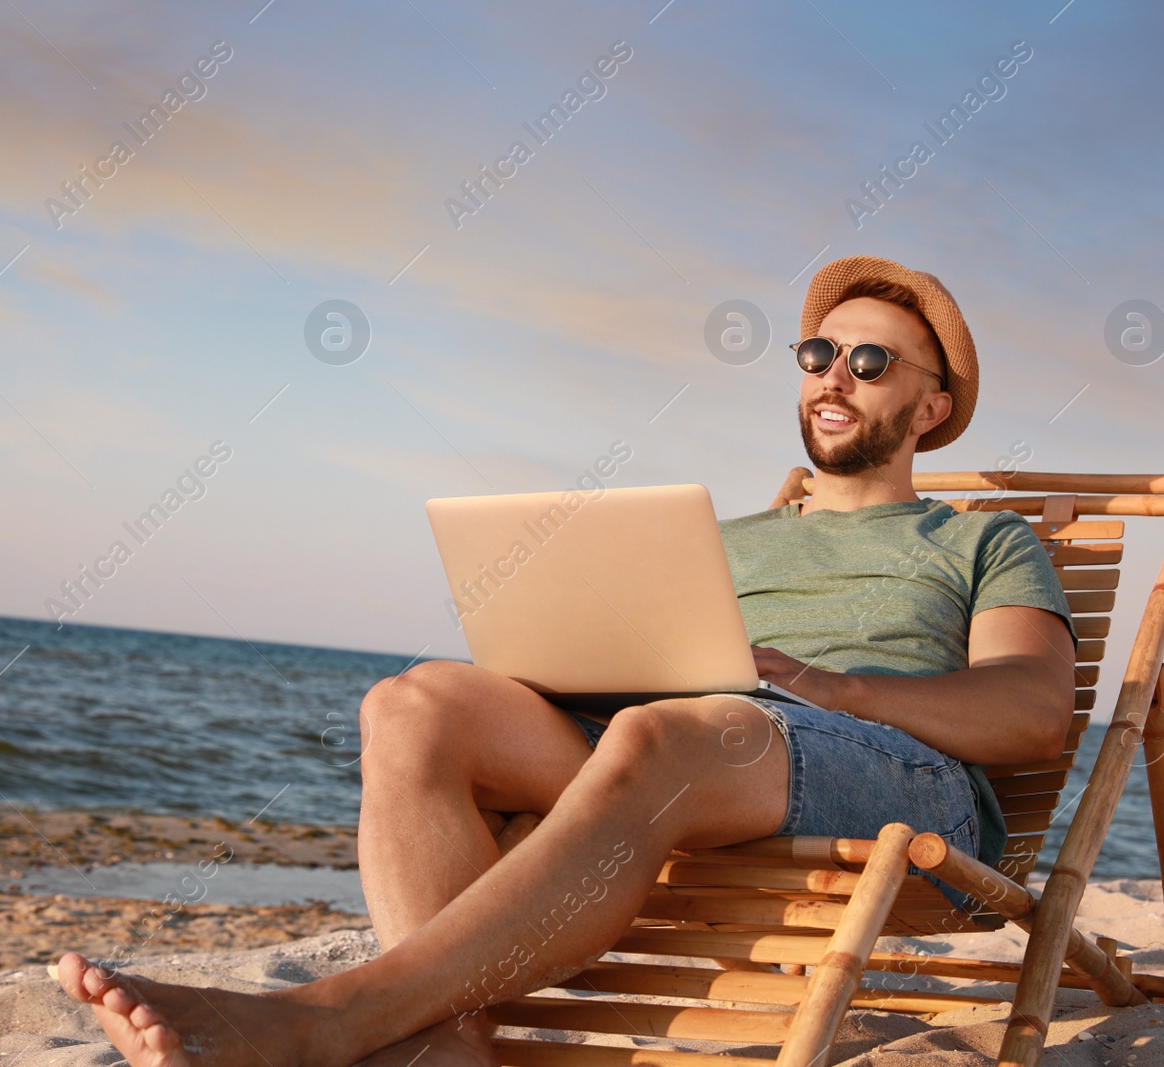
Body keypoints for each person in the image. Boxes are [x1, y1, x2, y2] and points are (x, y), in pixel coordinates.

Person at [52, 255, 1077, 1067]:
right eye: (817, 353)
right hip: (686, 751)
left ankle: (324, 1019)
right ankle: (451, 1045)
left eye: (868, 362)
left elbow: (1032, 712)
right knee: (416, 702)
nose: (830, 378)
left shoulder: (978, 541)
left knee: (673, 727)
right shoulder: (722, 536)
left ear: (928, 408)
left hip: (892, 782)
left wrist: (828, 685)